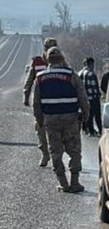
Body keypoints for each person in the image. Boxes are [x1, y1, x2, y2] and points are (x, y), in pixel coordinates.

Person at [33, 47, 90, 193]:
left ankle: (63, 183)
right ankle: (75, 182)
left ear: (47, 59)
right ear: (62, 58)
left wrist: (39, 120)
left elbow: (36, 103)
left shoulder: (40, 77)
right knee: (75, 151)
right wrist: (85, 113)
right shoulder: (71, 75)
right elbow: (82, 96)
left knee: (56, 152)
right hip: (71, 119)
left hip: (50, 121)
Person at [23, 37, 58, 167]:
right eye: (49, 48)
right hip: (40, 101)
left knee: (57, 130)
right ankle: (45, 154)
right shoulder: (37, 62)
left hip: (56, 101)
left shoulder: (61, 62)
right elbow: (30, 80)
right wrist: (26, 95)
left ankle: (56, 155)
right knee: (40, 127)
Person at [78, 57, 102, 136]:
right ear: (91, 64)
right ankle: (100, 130)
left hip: (85, 97)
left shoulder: (81, 73)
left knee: (88, 114)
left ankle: (88, 129)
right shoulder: (91, 74)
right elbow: (94, 87)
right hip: (93, 97)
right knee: (97, 115)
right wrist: (97, 94)